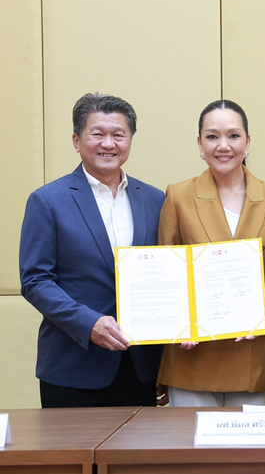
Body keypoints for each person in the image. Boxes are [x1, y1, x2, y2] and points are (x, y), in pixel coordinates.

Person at [20, 92, 165, 408]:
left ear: (130, 140)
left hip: (141, 368)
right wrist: (89, 323)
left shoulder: (155, 200)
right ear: (76, 140)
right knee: (73, 457)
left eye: (118, 135)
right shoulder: (48, 201)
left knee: (135, 459)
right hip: (73, 367)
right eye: (97, 133)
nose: (108, 144)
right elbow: (35, 281)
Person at [156, 100, 265, 407]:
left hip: (252, 350)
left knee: (249, 454)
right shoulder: (178, 196)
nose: (223, 146)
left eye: (233, 135)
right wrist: (181, 321)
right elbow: (168, 271)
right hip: (192, 354)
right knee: (193, 455)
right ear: (199, 143)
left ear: (248, 141)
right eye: (212, 136)